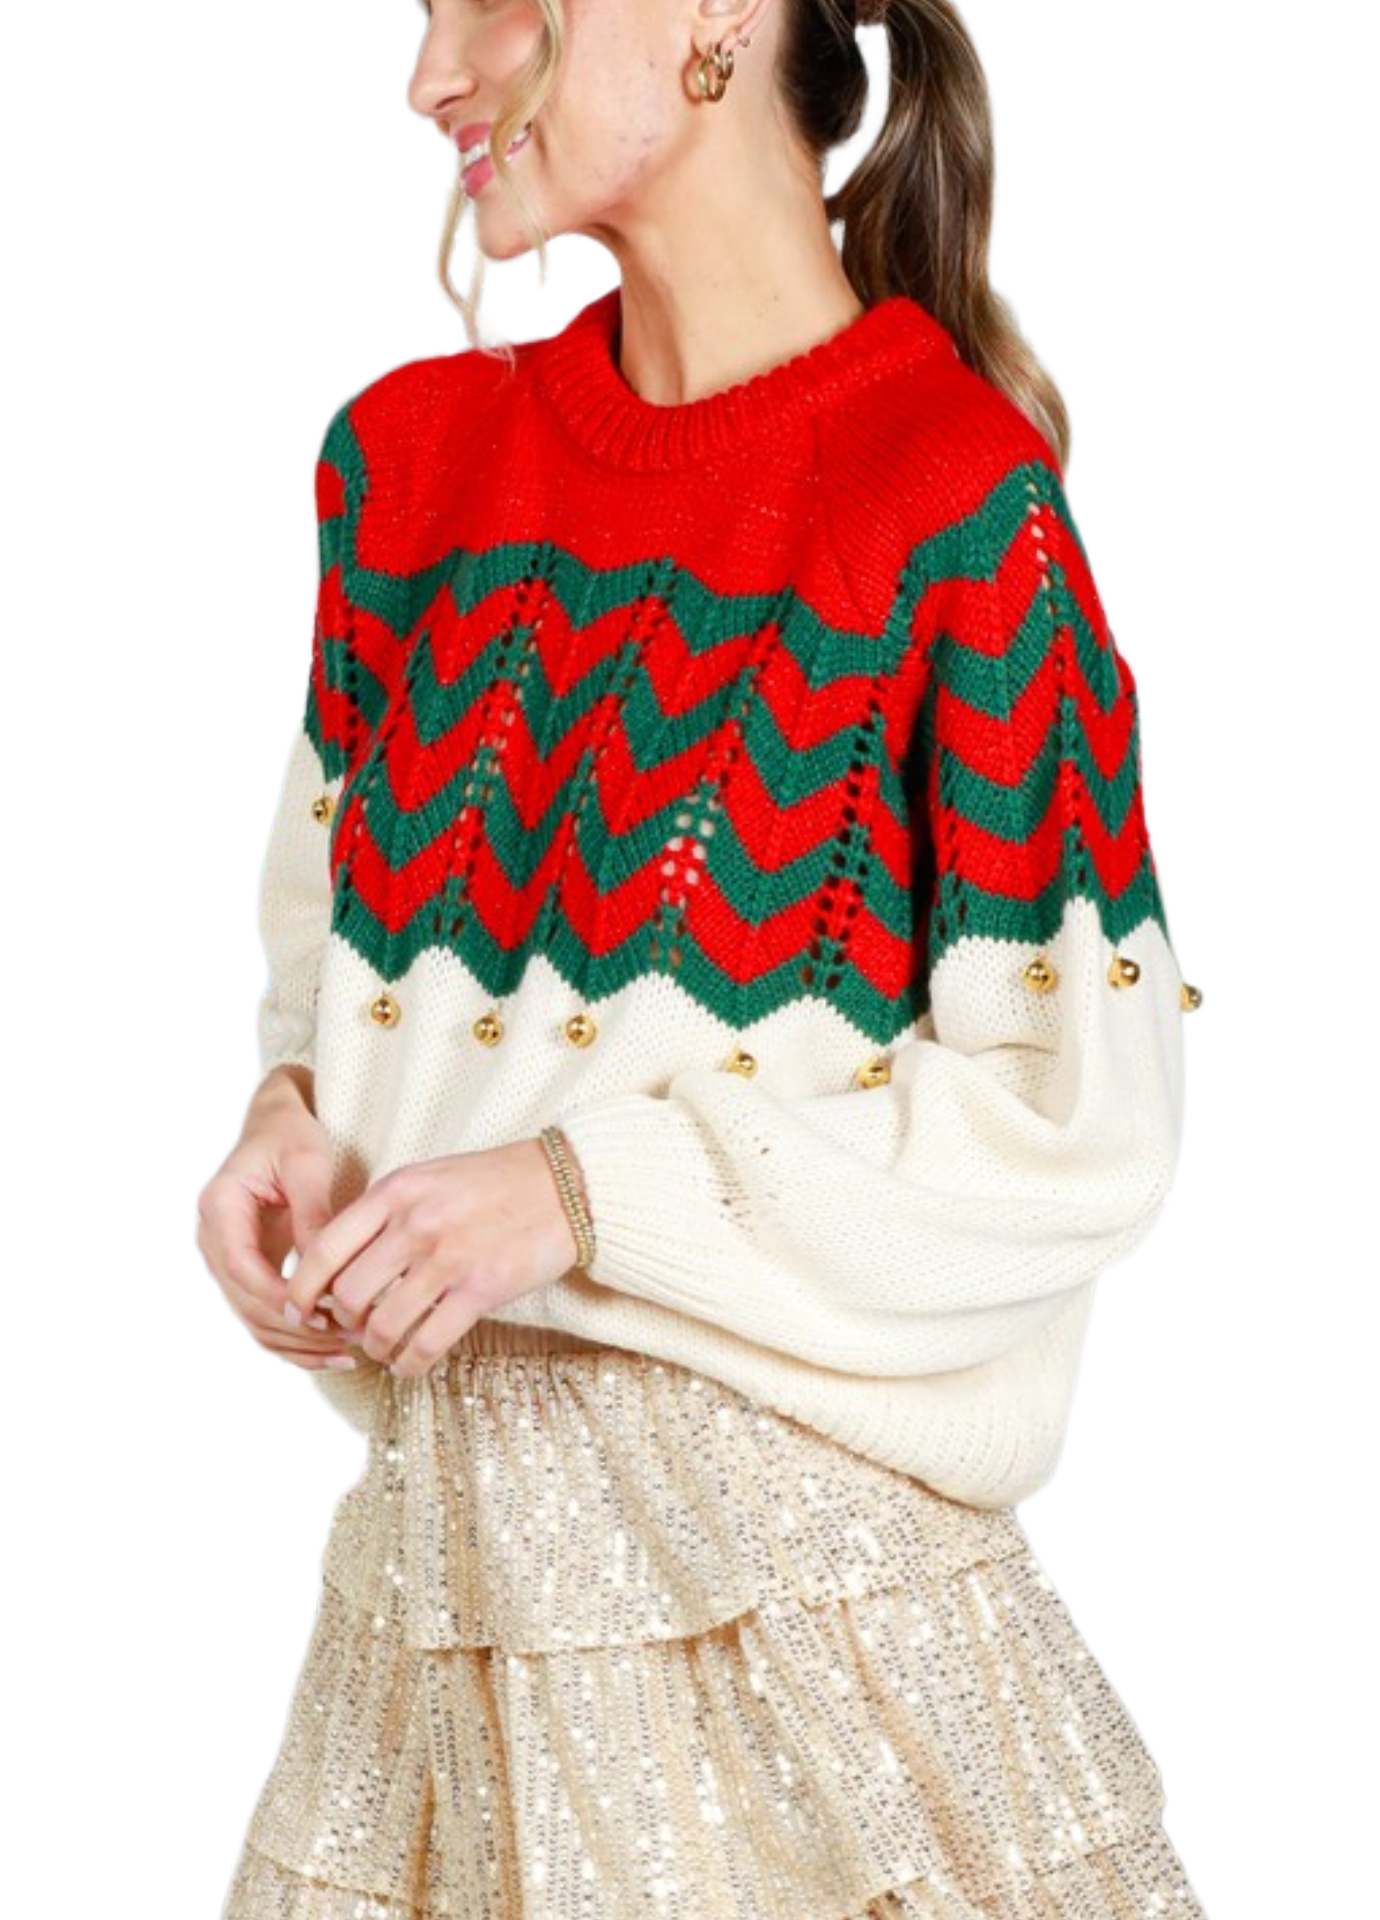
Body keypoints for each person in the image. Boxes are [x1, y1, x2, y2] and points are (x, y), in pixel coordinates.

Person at [198, 0, 1211, 1910]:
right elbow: (334, 953)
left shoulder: (952, 507)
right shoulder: (405, 473)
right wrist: (300, 1117)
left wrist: (586, 1196)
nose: (432, 76)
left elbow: (1078, 1127)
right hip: (438, 1645)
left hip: (803, 1668)